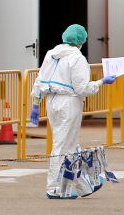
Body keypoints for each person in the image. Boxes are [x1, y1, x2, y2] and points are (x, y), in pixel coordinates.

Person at [29, 24, 117, 199]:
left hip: (51, 101)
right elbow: (82, 88)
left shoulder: (51, 54)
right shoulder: (77, 58)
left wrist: (36, 104)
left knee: (70, 144)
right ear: (81, 41)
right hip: (69, 102)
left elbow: (40, 80)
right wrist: (102, 82)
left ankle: (84, 185)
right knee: (62, 145)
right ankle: (54, 188)